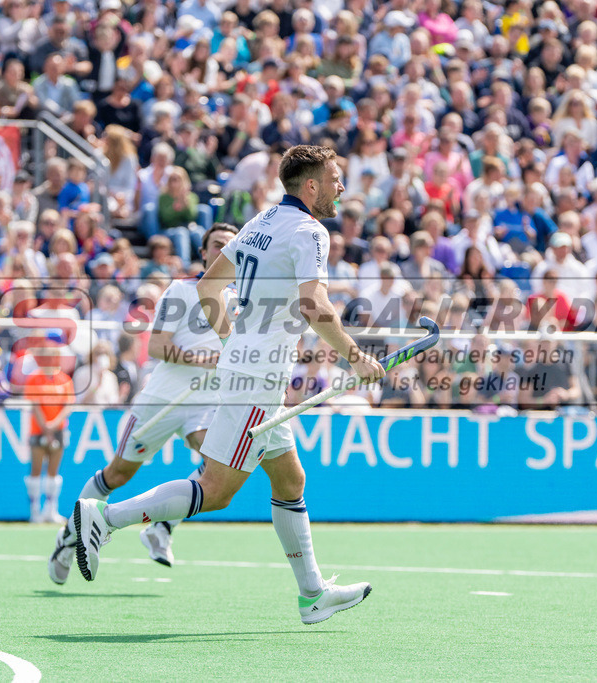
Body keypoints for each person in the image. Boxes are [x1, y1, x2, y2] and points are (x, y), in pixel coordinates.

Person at [71, 145, 385, 625]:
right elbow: (314, 306)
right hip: (257, 381)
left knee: (289, 479)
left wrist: (233, 340)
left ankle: (312, 594)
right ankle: (105, 518)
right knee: (215, 491)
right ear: (312, 185)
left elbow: (207, 286)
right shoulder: (309, 231)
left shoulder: (262, 222)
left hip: (253, 372)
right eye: (335, 178)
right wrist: (356, 357)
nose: (342, 187)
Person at [48, 223, 238, 584]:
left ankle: (161, 527)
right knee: (118, 474)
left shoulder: (239, 302)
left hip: (205, 406)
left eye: (229, 247)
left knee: (218, 463)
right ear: (203, 253)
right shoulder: (181, 290)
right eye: (216, 245)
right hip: (162, 401)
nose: (222, 251)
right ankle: (68, 537)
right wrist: (206, 360)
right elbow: (155, 347)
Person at [22, 336, 75, 524]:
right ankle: (34, 510)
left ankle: (51, 510)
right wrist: (46, 426)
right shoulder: (34, 379)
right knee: (36, 469)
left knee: (54, 470)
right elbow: (35, 405)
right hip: (38, 430)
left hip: (58, 430)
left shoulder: (64, 379)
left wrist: (54, 424)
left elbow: (67, 406)